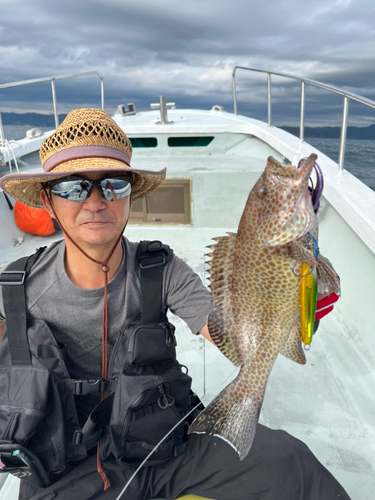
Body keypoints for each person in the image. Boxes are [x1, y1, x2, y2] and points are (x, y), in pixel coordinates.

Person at [0, 108, 349, 500]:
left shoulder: (160, 267)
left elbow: (225, 335)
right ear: (47, 201)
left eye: (113, 185)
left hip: (164, 450)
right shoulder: (15, 285)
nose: (95, 201)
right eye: (72, 187)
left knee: (291, 463)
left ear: (130, 196)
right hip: (61, 468)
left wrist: (291, 304)